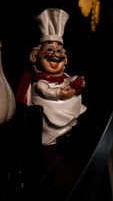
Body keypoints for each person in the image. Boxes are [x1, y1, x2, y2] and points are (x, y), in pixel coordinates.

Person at [16, 8, 86, 145]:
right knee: (54, 108)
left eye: (59, 52)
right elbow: (44, 91)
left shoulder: (63, 75)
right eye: (49, 51)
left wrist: (77, 81)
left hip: (63, 99)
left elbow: (68, 79)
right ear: (36, 57)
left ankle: (69, 126)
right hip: (49, 105)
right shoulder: (39, 79)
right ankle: (54, 134)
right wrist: (58, 94)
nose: (55, 55)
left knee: (75, 98)